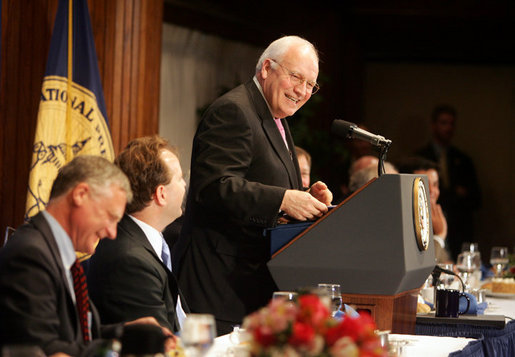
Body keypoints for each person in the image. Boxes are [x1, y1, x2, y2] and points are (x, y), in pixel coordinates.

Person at [174, 35, 333, 335]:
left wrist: (302, 197)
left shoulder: (276, 116)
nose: (302, 90)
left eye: (310, 84)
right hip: (218, 286)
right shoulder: (234, 111)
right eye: (296, 77)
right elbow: (215, 187)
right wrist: (283, 200)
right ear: (266, 69)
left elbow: (259, 183)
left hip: (249, 286)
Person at [0, 156, 174, 356]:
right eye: (110, 217)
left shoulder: (58, 252)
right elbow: (44, 349)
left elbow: (79, 336)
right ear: (80, 194)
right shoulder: (30, 255)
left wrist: (128, 332)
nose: (112, 233)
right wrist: (122, 348)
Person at [87, 136, 188, 333]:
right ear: (161, 194)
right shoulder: (131, 260)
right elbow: (157, 344)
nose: (185, 185)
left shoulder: (149, 239)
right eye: (180, 178)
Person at [416, 105, 481, 260]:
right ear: (433, 125)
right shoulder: (419, 159)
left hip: (458, 231)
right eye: (444, 123)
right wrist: (455, 194)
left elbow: (476, 199)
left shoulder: (463, 160)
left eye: (452, 124)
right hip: (426, 230)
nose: (448, 128)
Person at [397, 156, 452, 264]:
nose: (432, 191)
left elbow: (446, 261)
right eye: (425, 184)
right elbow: (421, 267)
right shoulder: (402, 220)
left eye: (435, 184)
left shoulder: (436, 215)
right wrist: (440, 236)